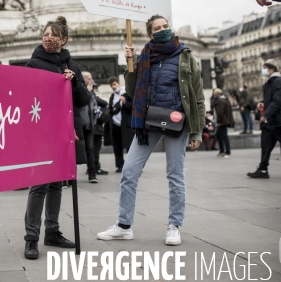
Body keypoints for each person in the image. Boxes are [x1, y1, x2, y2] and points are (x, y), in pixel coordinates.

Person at [97, 15, 204, 246]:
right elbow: (134, 91)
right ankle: (124, 225)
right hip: (149, 122)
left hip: (177, 121)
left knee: (175, 175)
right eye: (158, 28)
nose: (164, 29)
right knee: (129, 172)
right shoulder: (144, 56)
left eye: (166, 26)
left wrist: (196, 131)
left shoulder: (185, 55)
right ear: (150, 34)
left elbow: (197, 94)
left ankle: (174, 225)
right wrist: (130, 65)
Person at [23, 16, 90, 260]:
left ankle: (52, 231)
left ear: (63, 39)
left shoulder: (71, 64)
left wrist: (73, 83)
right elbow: (27, 98)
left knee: (57, 184)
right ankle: (31, 238)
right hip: (43, 132)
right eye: (45, 34)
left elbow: (83, 99)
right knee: (39, 184)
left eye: (53, 35)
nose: (48, 38)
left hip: (66, 131)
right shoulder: (34, 64)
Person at [108, 77, 133, 173]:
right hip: (115, 124)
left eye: (114, 84)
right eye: (111, 85)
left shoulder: (127, 94)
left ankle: (131, 165)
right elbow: (111, 110)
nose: (113, 87)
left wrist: (125, 102)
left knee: (129, 146)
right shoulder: (112, 96)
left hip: (125, 125)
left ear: (118, 83)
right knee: (117, 146)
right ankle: (120, 165)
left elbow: (133, 107)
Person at [89, 80, 110, 175]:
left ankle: (92, 167)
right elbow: (104, 102)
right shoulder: (93, 97)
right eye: (96, 87)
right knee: (94, 149)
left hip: (94, 127)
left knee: (92, 149)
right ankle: (95, 167)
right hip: (95, 128)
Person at [213, 89, 233, 158]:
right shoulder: (225, 100)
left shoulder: (221, 101)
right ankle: (222, 150)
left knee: (224, 137)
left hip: (222, 122)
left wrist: (218, 122)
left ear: (218, 94)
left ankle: (227, 151)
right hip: (224, 121)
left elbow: (220, 112)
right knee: (219, 135)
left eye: (215, 94)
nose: (214, 95)